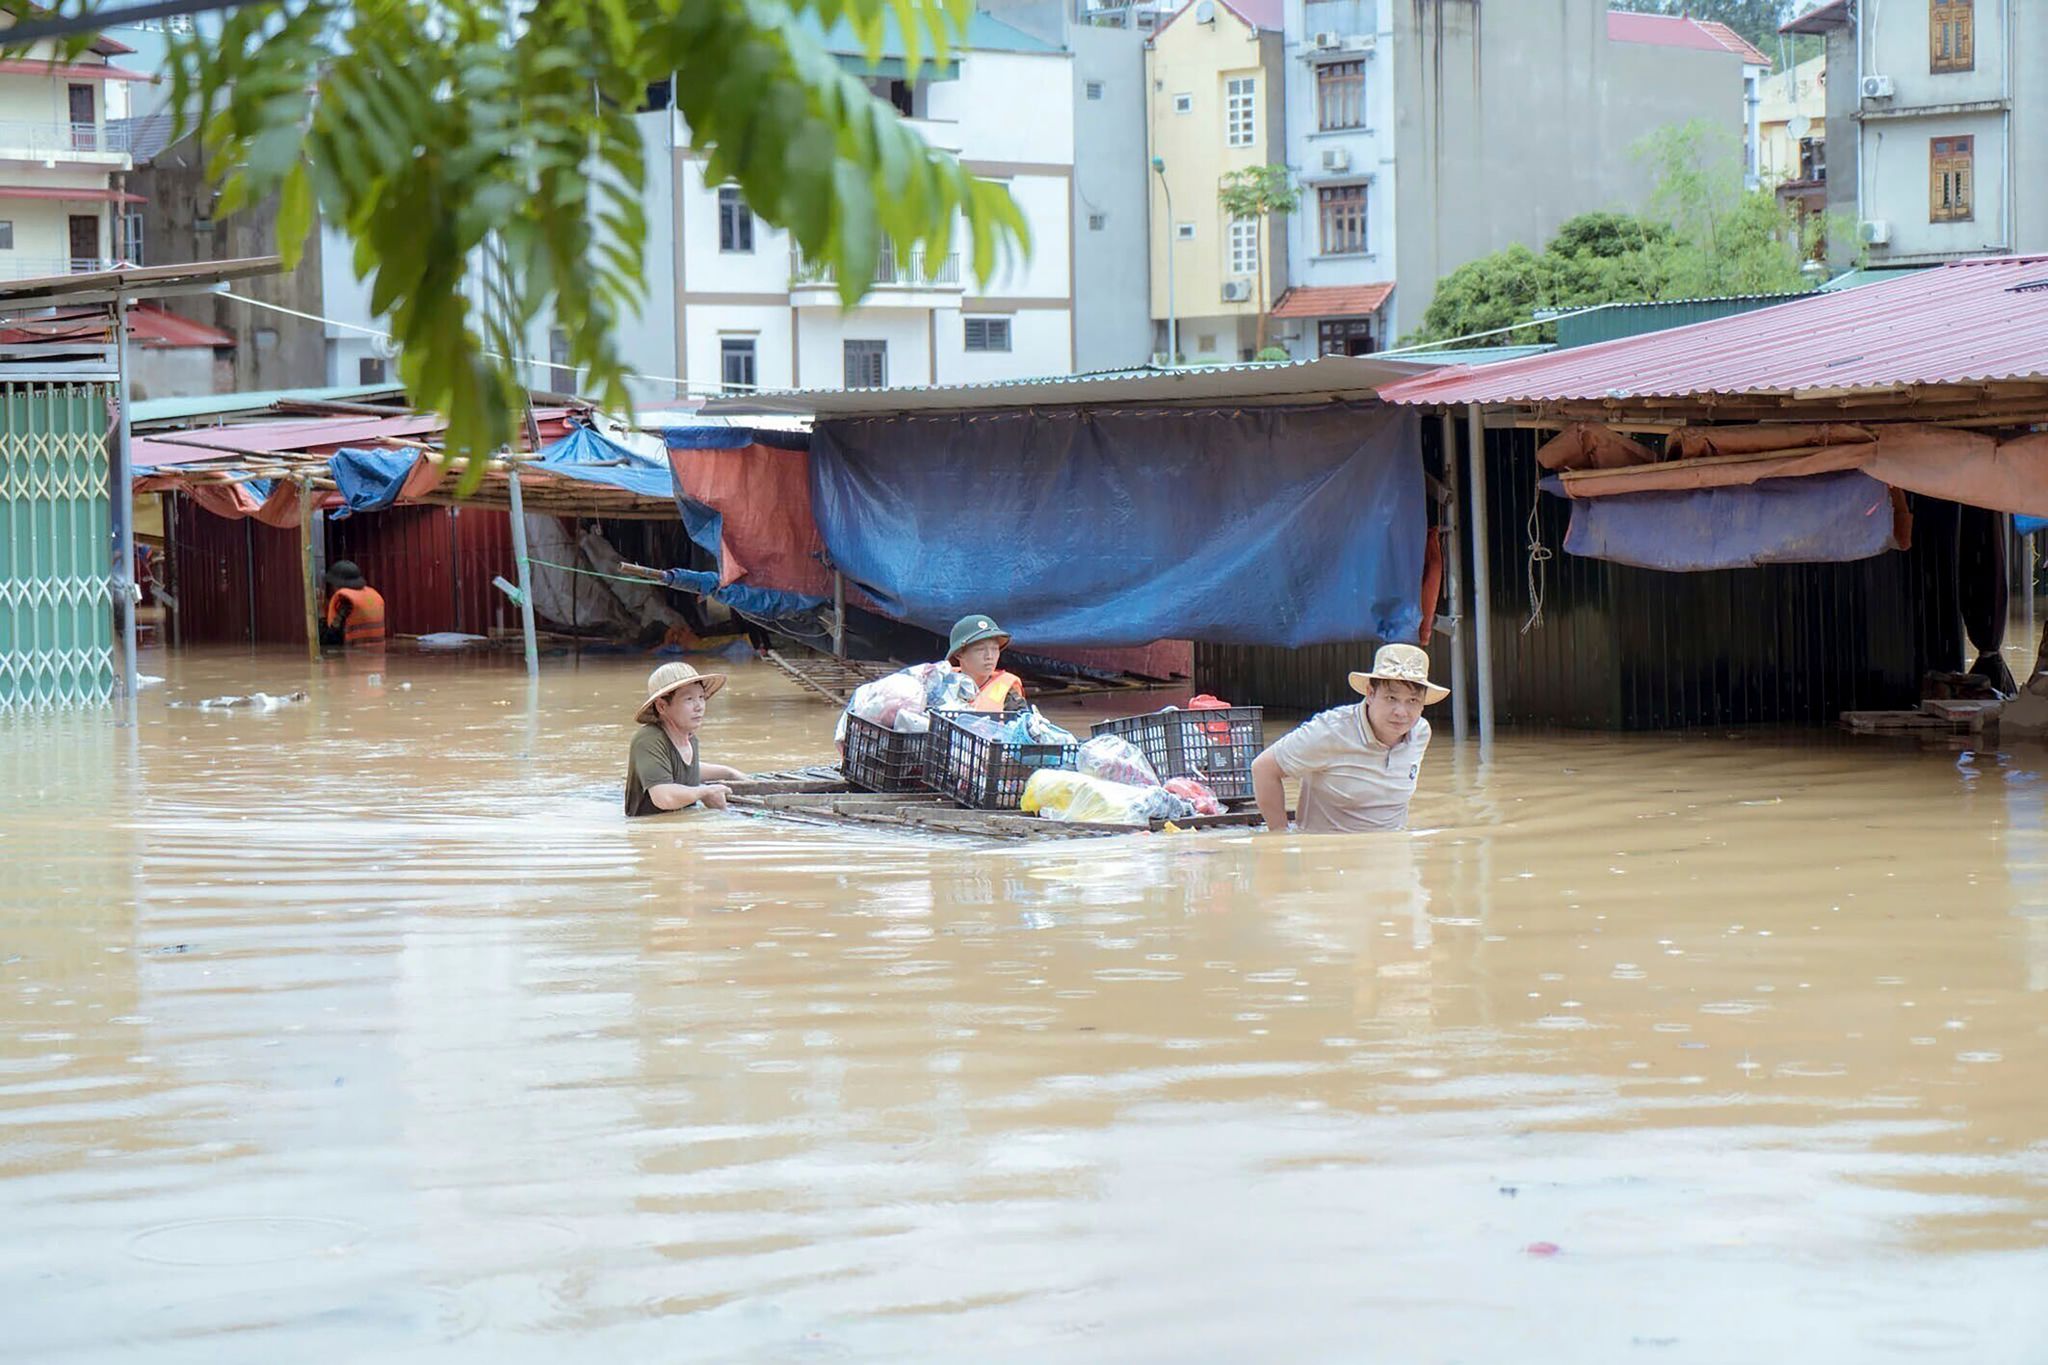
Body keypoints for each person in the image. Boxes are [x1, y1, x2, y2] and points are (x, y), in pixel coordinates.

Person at [1249, 642, 1448, 834]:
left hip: (1394, 855)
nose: (1401, 712)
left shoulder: (1420, 732)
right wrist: (1280, 838)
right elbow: (1263, 768)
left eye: (1412, 701)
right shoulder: (1330, 730)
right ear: (1370, 694)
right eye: (1391, 698)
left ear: (1423, 704)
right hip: (1332, 858)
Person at [626, 662, 747, 818]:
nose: (699, 706)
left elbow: (686, 769)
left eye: (701, 697)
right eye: (689, 699)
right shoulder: (648, 739)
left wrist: (729, 773)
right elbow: (663, 797)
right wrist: (705, 791)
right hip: (652, 833)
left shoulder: (689, 738)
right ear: (662, 706)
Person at [947, 614, 1027, 713]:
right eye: (980, 649)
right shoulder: (941, 686)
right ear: (959, 654)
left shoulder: (1008, 695)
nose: (989, 656)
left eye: (994, 649)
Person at [318, 560, 386, 649]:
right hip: (376, 652)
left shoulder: (346, 601)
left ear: (336, 584)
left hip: (352, 656)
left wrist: (320, 615)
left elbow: (332, 639)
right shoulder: (374, 595)